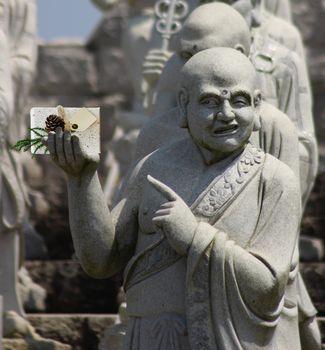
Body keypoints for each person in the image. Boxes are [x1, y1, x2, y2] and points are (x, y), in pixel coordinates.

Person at [44, 47, 317, 349]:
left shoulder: (275, 180)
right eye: (210, 102)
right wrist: (81, 180)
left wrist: (194, 237)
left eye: (238, 101)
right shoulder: (153, 166)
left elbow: (267, 287)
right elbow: (100, 261)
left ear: (256, 105)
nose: (226, 114)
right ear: (184, 107)